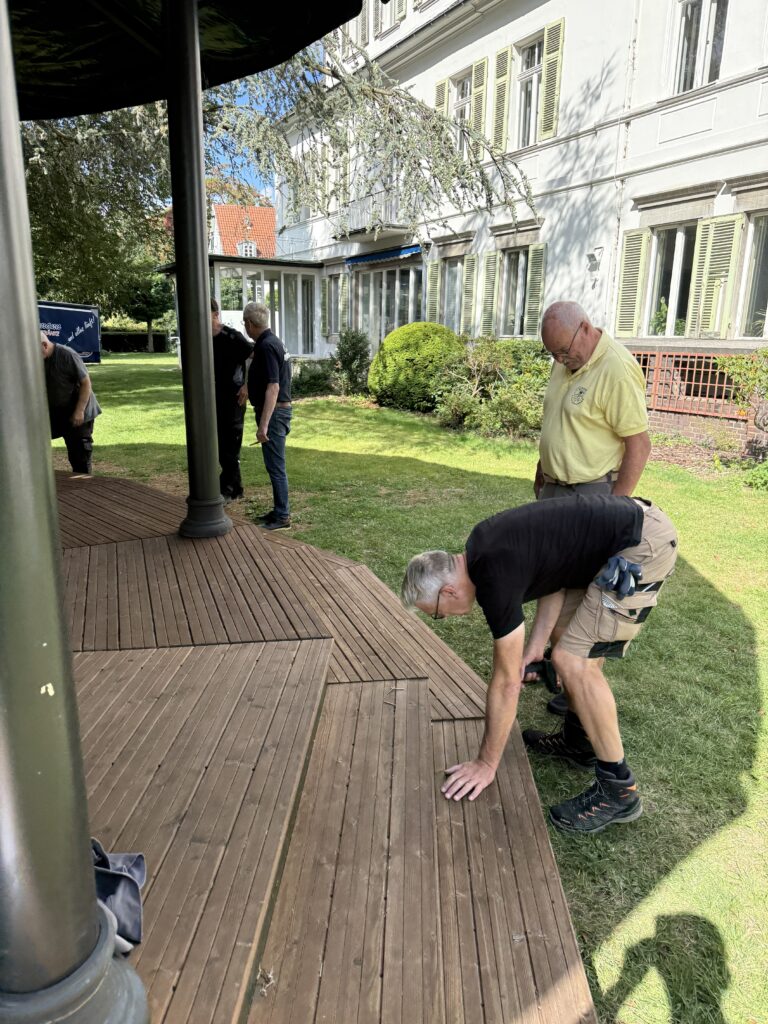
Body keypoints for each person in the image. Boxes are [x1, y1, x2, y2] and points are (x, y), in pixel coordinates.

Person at [401, 493, 678, 835]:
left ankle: (619, 791)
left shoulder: (493, 578)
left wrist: (486, 763)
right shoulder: (480, 549)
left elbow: (506, 683)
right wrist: (535, 646)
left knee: (574, 661)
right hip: (622, 534)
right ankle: (579, 743)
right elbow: (555, 578)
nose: (444, 618)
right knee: (563, 639)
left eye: (437, 615)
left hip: (641, 544)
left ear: (448, 592)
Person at [531, 301, 651, 715]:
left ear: (585, 328)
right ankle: (561, 673)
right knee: (550, 582)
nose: (560, 360)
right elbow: (558, 421)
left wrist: (613, 511)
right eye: (553, 354)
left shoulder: (615, 368)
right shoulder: (565, 360)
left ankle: (578, 690)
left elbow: (639, 445)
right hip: (556, 490)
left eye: (564, 351)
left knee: (580, 601)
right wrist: (543, 468)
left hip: (591, 495)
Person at [243, 301, 292, 530]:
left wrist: (263, 426)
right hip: (277, 412)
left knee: (276, 466)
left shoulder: (267, 346)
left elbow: (273, 387)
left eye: (244, 323)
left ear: (249, 323)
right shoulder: (270, 342)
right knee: (274, 465)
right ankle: (278, 510)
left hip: (274, 414)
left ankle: (282, 516)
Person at [40, 330, 101, 475]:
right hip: (58, 410)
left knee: (79, 453)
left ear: (44, 345)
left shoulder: (67, 355)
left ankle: (83, 482)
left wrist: (79, 411)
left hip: (79, 409)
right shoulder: (39, 360)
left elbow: (86, 383)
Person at [210, 298, 253, 502]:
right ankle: (235, 488)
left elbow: (255, 357)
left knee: (230, 445)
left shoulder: (232, 337)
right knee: (219, 445)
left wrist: (247, 385)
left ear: (215, 314)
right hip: (213, 399)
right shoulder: (201, 339)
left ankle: (228, 489)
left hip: (234, 399)